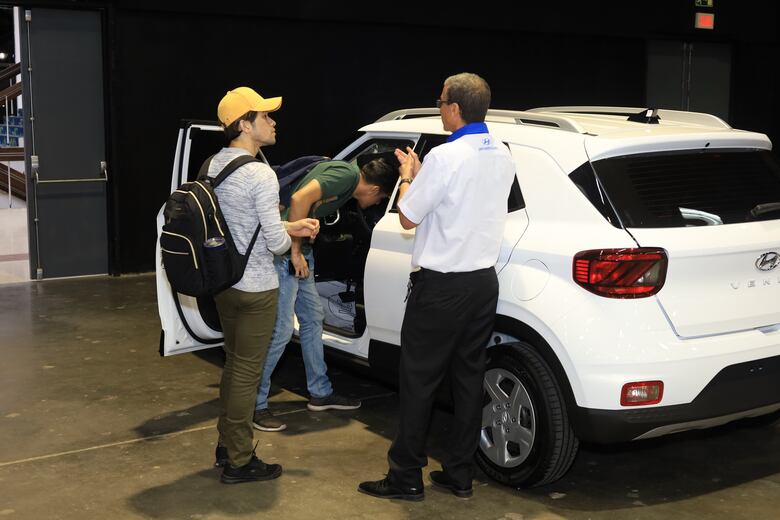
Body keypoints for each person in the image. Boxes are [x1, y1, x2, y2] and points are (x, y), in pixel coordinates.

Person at [358, 73, 516, 500]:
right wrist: (426, 176)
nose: (439, 104)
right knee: (468, 380)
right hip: (482, 284)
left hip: (440, 288)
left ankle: (405, 476)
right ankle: (460, 473)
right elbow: (460, 201)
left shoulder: (446, 158)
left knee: (419, 382)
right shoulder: (502, 153)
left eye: (441, 99)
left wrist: (409, 174)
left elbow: (408, 217)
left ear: (455, 109)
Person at [210, 86, 320, 484]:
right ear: (244, 125)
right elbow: (273, 243)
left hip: (225, 283)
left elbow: (246, 226)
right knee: (246, 372)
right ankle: (239, 460)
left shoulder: (215, 164)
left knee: (232, 363)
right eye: (265, 116)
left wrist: (289, 224)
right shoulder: (260, 173)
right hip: (256, 287)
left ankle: (226, 445)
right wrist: (287, 233)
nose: (273, 122)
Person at [252, 155, 399, 431]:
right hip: (287, 254)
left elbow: (307, 201)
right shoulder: (346, 176)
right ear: (375, 190)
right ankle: (254, 404)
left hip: (301, 253)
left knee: (312, 319)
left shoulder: (345, 179)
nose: (377, 204)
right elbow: (298, 200)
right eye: (381, 199)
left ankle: (320, 392)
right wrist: (295, 252)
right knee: (282, 330)